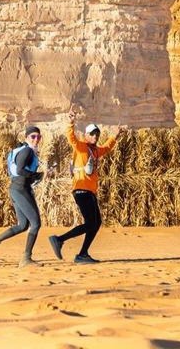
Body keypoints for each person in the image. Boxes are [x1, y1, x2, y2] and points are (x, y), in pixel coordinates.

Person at [48, 110, 124, 264]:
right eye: (92, 134)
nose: (95, 136)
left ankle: (83, 254)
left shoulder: (95, 151)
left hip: (90, 192)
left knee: (96, 223)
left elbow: (107, 148)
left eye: (97, 134)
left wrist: (115, 136)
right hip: (81, 190)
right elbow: (71, 138)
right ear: (86, 135)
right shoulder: (81, 147)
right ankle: (59, 240)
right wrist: (71, 123)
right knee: (90, 223)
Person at [0, 126, 45, 268]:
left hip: (16, 188)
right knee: (36, 223)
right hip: (21, 188)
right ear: (26, 137)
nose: (36, 139)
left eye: (38, 137)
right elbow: (20, 170)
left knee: (23, 225)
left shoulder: (23, 150)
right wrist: (35, 175)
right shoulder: (27, 151)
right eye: (33, 136)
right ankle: (26, 258)